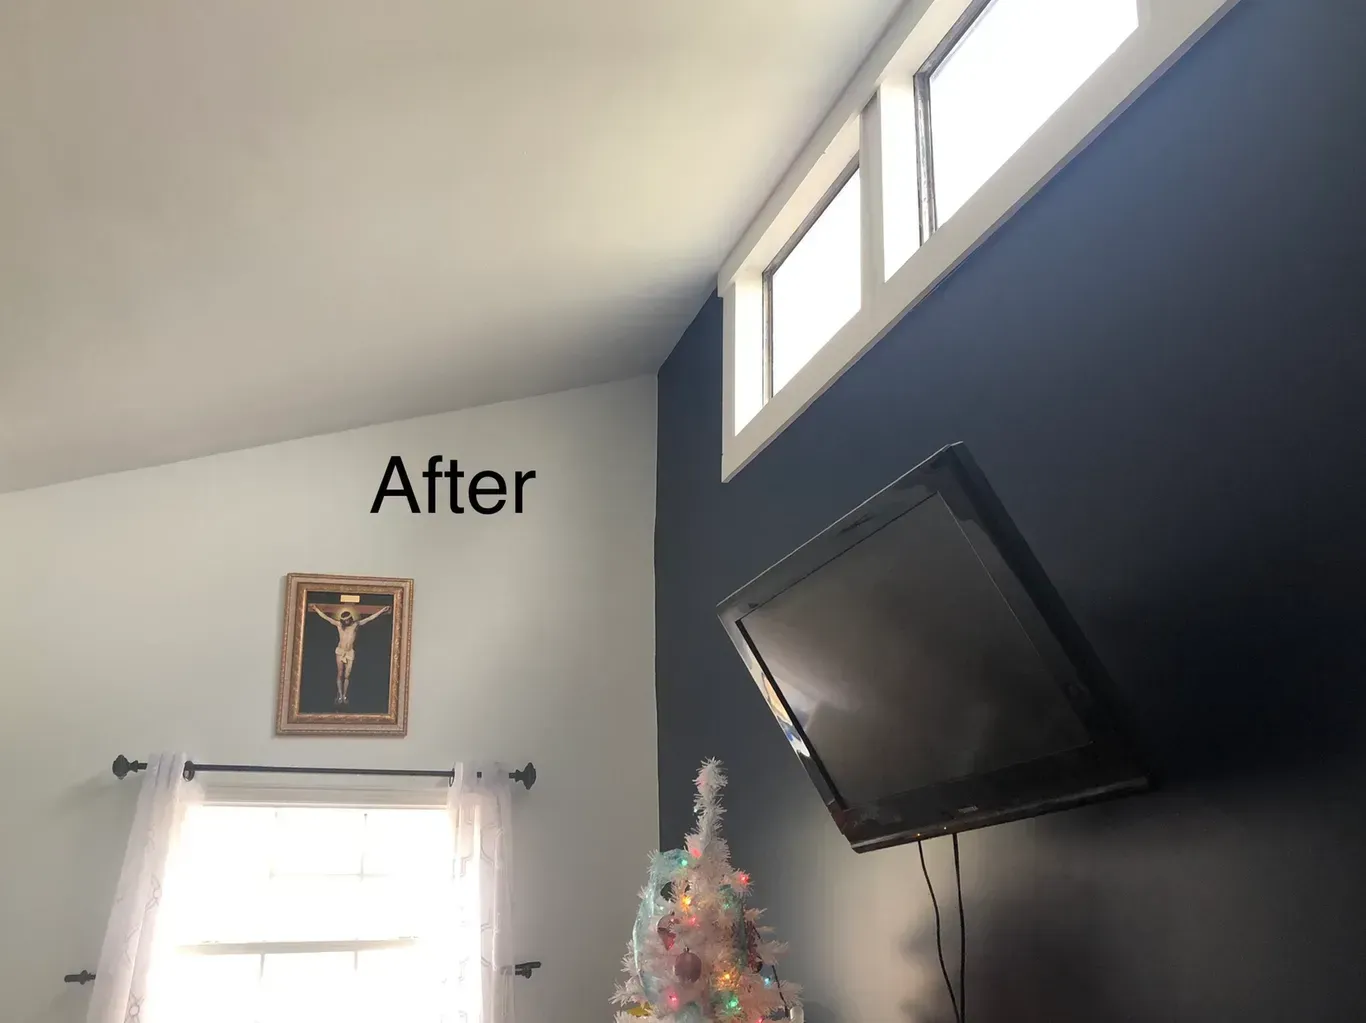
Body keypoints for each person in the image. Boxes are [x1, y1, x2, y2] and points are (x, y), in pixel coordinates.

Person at [308, 604, 390, 706]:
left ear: (350, 619)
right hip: (340, 651)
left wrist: (382, 610)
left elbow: (370, 618)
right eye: (345, 620)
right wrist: (316, 609)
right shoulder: (339, 625)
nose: (346, 622)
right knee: (340, 673)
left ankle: (344, 695)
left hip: (350, 652)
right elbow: (326, 618)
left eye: (348, 620)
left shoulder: (355, 625)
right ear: (342, 620)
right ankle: (340, 694)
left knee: (347, 675)